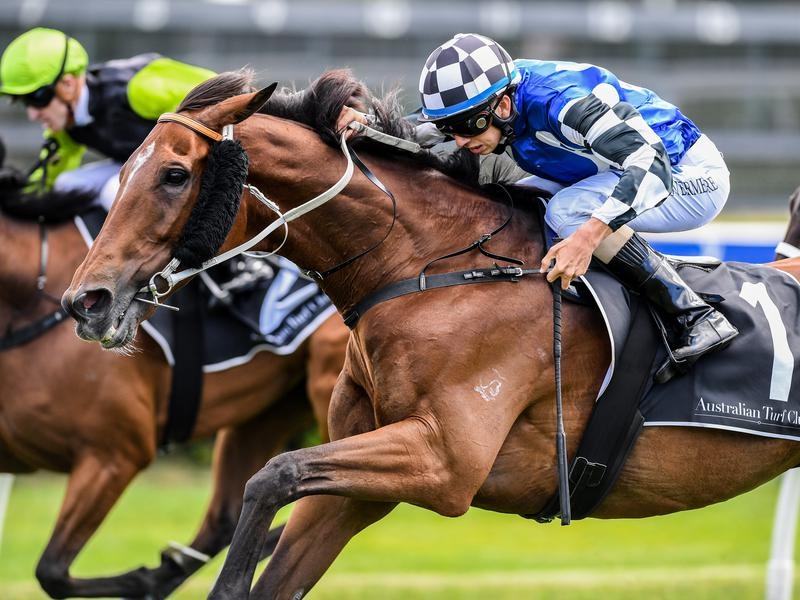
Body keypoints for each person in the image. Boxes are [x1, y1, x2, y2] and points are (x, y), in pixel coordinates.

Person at [338, 32, 738, 375]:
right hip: (608, 168)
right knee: (509, 206)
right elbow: (422, 130)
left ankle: (693, 313)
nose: (458, 141)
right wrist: (364, 127)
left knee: (568, 213)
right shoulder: (489, 101)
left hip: (684, 174)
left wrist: (586, 239)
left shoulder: (562, 103)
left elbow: (650, 166)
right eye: (450, 128)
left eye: (466, 127)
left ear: (503, 106)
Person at [0, 27, 215, 210]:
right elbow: (46, 182)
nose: (32, 114)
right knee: (66, 185)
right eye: (23, 102)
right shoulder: (66, 125)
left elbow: (217, 94)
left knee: (115, 190)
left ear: (68, 84)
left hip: (200, 169)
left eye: (37, 98)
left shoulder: (137, 87)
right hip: (144, 168)